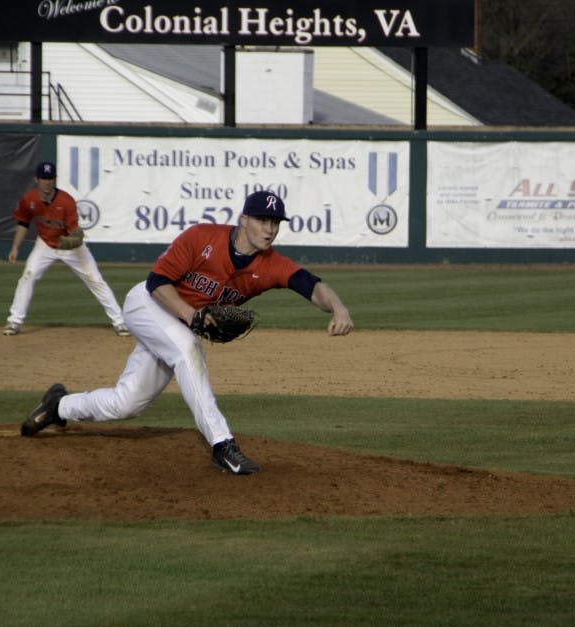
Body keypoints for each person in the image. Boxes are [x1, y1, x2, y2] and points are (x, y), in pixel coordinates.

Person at [18, 190, 355, 475]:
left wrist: (339, 309)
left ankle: (59, 407)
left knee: (127, 403)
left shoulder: (271, 265)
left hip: (175, 325)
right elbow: (156, 282)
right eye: (262, 220)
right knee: (187, 348)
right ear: (243, 219)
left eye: (275, 223)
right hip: (148, 305)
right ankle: (222, 445)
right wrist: (192, 316)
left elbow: (312, 285)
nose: (269, 229)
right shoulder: (202, 237)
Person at [4, 160, 129, 336]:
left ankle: (120, 322)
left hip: (70, 247)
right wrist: (15, 247)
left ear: (55, 179)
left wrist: (76, 237)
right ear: (36, 180)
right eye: (43, 178)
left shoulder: (66, 201)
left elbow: (74, 231)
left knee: (96, 280)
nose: (47, 182)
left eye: (50, 178)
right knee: (27, 276)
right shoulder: (29, 199)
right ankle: (14, 321)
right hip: (45, 244)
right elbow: (23, 222)